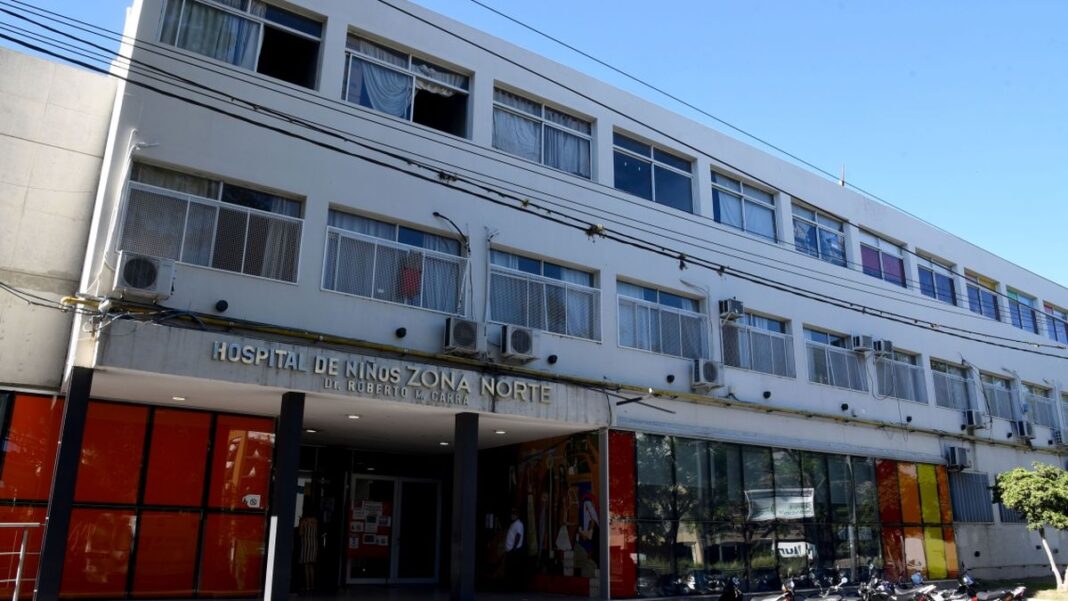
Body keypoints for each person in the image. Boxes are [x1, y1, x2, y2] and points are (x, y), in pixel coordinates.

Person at [504, 507, 525, 589]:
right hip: (510, 550)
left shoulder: (518, 524)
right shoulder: (514, 524)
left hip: (514, 550)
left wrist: (514, 547)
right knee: (509, 569)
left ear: (518, 515)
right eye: (512, 513)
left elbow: (518, 536)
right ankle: (510, 585)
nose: (512, 515)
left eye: (514, 513)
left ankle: (513, 586)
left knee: (512, 569)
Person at [298, 513, 319, 592]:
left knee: (306, 566)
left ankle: (307, 586)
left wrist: (300, 522)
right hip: (314, 544)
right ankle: (312, 586)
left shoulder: (304, 521)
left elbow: (300, 533)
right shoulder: (315, 521)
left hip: (306, 544)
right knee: (311, 566)